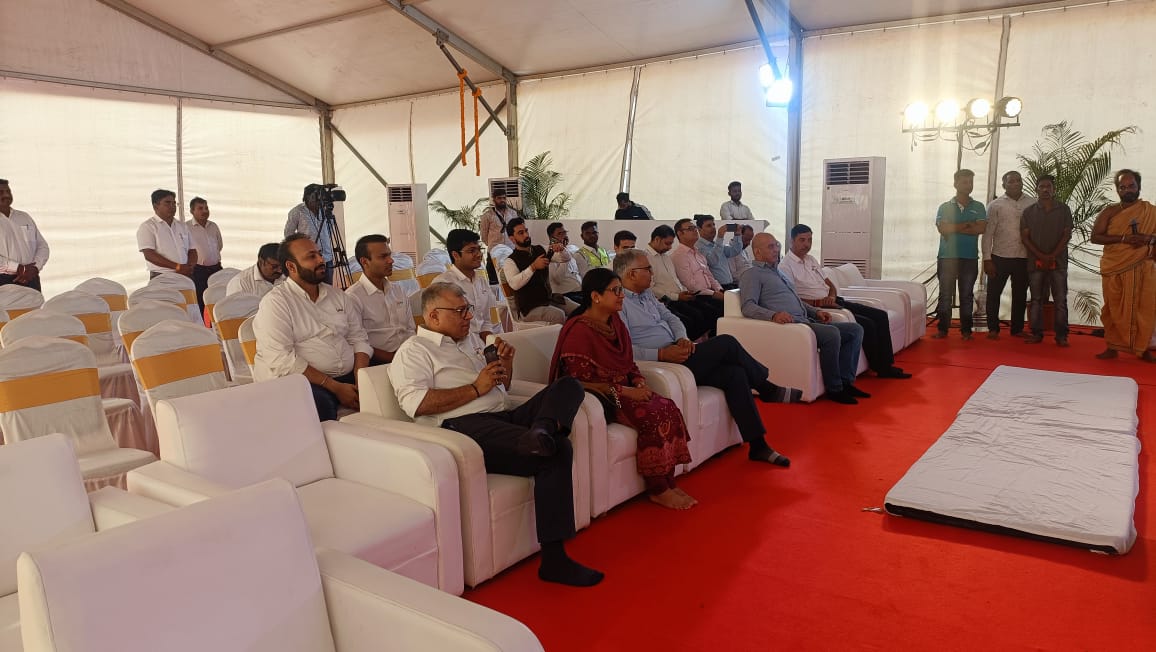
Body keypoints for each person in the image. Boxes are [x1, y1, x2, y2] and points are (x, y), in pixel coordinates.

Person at [391, 282, 603, 587]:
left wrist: (506, 365)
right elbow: (417, 404)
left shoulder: (470, 341)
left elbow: (502, 387)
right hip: (465, 427)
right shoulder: (414, 351)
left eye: (468, 309)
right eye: (460, 311)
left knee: (569, 386)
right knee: (558, 450)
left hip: (504, 415)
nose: (468, 317)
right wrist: (475, 388)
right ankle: (554, 560)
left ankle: (541, 429)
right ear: (433, 316)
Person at [614, 250, 797, 466]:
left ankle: (758, 446)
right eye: (647, 269)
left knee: (735, 374)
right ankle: (767, 388)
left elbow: (672, 319)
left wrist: (682, 338)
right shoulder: (619, 305)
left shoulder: (647, 295)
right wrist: (661, 354)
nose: (652, 273)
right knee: (726, 342)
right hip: (664, 363)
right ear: (631, 274)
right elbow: (624, 350)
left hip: (679, 351)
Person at [550, 268, 696, 509]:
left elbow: (629, 363)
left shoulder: (615, 323)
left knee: (668, 407)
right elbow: (577, 383)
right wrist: (627, 391)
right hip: (603, 397)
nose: (621, 296)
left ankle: (668, 480)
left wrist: (638, 381)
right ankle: (658, 489)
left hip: (625, 388)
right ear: (596, 296)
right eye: (616, 290)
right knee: (652, 415)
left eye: (621, 290)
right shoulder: (579, 332)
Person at [252, 234, 371, 421]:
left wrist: (361, 378)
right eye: (311, 257)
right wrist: (335, 387)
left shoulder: (338, 296)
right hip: (301, 381)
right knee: (318, 404)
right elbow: (282, 360)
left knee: (388, 379)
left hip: (347, 375)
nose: (321, 260)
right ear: (291, 267)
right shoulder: (276, 303)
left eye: (319, 254)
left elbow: (359, 338)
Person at [741, 233, 867, 405]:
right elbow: (748, 306)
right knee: (831, 333)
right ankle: (835, 389)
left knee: (855, 329)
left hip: (807, 321)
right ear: (757, 252)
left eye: (776, 245)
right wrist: (773, 315)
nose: (776, 249)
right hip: (792, 326)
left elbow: (797, 301)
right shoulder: (752, 274)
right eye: (770, 247)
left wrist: (816, 312)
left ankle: (846, 382)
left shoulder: (778, 272)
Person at [780, 224, 910, 379]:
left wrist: (832, 296)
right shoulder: (785, 266)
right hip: (817, 306)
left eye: (809, 240)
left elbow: (829, 284)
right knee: (867, 323)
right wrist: (818, 303)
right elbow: (792, 297)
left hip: (834, 301)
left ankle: (887, 365)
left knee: (880, 315)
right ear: (791, 241)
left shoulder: (811, 260)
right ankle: (881, 368)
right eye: (802, 240)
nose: (806, 244)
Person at [1090, 169, 1156, 361]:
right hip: (1115, 267)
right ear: (1117, 190)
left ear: (1139, 186)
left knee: (1143, 309)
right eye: (1123, 187)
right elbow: (1095, 237)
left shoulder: (1151, 212)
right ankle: (1112, 347)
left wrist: (1147, 238)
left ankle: (1142, 348)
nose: (1127, 190)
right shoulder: (1109, 212)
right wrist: (1124, 238)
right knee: (1113, 308)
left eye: (1131, 186)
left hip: (1143, 267)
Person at [932, 169, 987, 340]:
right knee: (945, 295)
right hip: (947, 257)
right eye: (964, 182)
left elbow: (981, 228)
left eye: (971, 182)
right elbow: (943, 229)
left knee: (966, 295)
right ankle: (943, 329)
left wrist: (954, 228)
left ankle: (966, 331)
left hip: (969, 257)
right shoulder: (945, 207)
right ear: (955, 184)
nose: (968, 185)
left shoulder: (979, 206)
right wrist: (967, 225)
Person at [345, 234, 415, 364]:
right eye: (383, 257)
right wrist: (396, 359)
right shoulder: (353, 297)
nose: (391, 261)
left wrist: (412, 356)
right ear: (364, 262)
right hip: (377, 362)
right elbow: (357, 343)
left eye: (390, 255)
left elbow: (410, 330)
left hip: (409, 357)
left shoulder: (398, 290)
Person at [1020, 175, 1073, 346]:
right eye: (1041, 186)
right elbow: (1025, 238)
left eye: (1048, 186)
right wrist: (1041, 256)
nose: (1045, 189)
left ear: (1054, 189)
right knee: (1036, 299)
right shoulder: (1028, 212)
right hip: (1035, 263)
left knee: (1060, 300)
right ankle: (1036, 333)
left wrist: (1052, 256)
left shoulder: (1064, 210)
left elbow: (1067, 235)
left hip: (1059, 263)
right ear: (1036, 189)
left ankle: (1061, 336)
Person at [644, 225, 720, 340]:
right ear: (657, 239)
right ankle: (689, 344)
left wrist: (685, 291)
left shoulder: (666, 257)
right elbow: (651, 288)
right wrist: (677, 296)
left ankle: (703, 342)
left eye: (671, 244)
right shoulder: (646, 258)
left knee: (710, 312)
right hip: (667, 301)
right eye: (667, 243)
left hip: (681, 296)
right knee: (694, 318)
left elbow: (675, 280)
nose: (669, 247)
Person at [982, 171, 1034, 339]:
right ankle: (993, 328)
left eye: (1018, 180)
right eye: (1011, 181)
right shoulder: (995, 205)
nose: (1016, 183)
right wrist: (987, 259)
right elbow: (987, 234)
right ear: (1004, 185)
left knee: (1020, 295)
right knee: (993, 294)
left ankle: (1017, 329)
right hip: (999, 257)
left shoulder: (1032, 203)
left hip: (1023, 257)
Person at [434, 229, 501, 341]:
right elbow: (443, 328)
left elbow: (485, 321)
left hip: (480, 343)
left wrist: (490, 342)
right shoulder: (443, 284)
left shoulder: (481, 281)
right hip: (458, 344)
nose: (479, 254)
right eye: (472, 251)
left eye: (479, 249)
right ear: (456, 255)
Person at [501, 218, 566, 324]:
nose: (526, 235)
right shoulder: (510, 261)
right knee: (559, 315)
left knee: (578, 309)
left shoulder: (540, 249)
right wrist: (533, 267)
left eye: (526, 231)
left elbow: (565, 259)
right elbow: (514, 284)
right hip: (529, 308)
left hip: (548, 300)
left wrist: (561, 249)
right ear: (512, 239)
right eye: (521, 233)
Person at [0, 178, 49, 291]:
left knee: (34, 304)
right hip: (3, 280)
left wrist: (35, 268)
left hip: (31, 278)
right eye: (1, 192)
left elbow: (42, 246)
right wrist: (17, 268)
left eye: (8, 191)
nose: (6, 195)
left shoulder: (24, 217)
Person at [138, 189, 197, 279]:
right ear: (155, 206)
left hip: (185, 274)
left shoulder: (182, 226)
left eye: (174, 203)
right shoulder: (148, 226)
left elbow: (192, 250)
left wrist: (190, 266)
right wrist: (177, 267)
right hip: (162, 276)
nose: (172, 206)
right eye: (167, 203)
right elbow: (149, 254)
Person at [284, 184, 335, 285]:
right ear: (308, 197)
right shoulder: (297, 212)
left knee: (328, 288)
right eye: (317, 196)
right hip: (308, 258)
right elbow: (288, 234)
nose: (319, 200)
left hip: (327, 257)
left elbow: (330, 229)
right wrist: (299, 250)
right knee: (311, 286)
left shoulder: (325, 210)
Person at [672, 218, 726, 299]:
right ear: (680, 233)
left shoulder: (697, 252)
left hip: (711, 293)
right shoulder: (679, 256)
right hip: (697, 297)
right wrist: (714, 294)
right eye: (690, 228)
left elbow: (709, 276)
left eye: (695, 228)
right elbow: (690, 286)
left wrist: (720, 290)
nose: (695, 230)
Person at [187, 196, 223, 314]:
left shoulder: (213, 226)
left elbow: (219, 245)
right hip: (199, 271)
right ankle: (204, 323)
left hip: (216, 269)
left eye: (206, 208)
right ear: (192, 211)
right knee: (201, 300)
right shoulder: (186, 227)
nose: (205, 211)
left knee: (219, 298)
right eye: (200, 208)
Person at [479, 189, 518, 286]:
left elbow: (516, 231)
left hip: (510, 251)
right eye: (499, 198)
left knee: (512, 279)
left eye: (504, 198)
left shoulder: (513, 214)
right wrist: (494, 246)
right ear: (494, 200)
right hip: (494, 252)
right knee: (494, 281)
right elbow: (484, 235)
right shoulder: (487, 215)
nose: (502, 200)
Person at [694, 214, 743, 289]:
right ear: (699, 229)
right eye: (709, 226)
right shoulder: (698, 247)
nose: (713, 228)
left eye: (713, 225)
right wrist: (720, 237)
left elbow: (734, 251)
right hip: (717, 288)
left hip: (729, 285)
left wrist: (737, 234)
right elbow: (712, 261)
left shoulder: (716, 245)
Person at [544, 222, 583, 303]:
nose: (564, 236)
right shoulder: (550, 255)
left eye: (564, 232)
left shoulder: (572, 248)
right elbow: (558, 279)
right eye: (560, 234)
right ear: (552, 238)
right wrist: (565, 257)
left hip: (581, 290)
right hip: (566, 294)